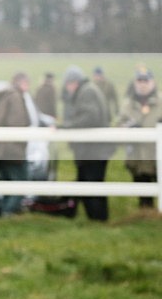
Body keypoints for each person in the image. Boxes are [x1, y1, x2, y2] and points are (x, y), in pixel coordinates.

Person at [0, 72, 53, 216]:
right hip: (13, 149)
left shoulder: (4, 95)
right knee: (22, 183)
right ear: (22, 83)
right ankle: (7, 214)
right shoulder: (16, 97)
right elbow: (17, 122)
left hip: (0, 148)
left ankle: (4, 214)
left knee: (7, 184)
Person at [59, 66, 113, 221]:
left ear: (73, 82)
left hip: (92, 150)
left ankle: (97, 219)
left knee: (92, 185)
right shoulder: (89, 89)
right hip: (94, 150)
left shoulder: (86, 92)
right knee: (90, 184)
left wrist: (66, 126)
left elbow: (89, 117)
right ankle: (95, 218)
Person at [116, 67, 160, 209]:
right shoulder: (128, 104)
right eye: (139, 80)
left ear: (152, 82)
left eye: (146, 80)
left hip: (156, 154)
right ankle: (145, 215)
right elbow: (119, 124)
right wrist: (128, 128)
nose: (143, 84)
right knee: (142, 188)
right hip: (137, 156)